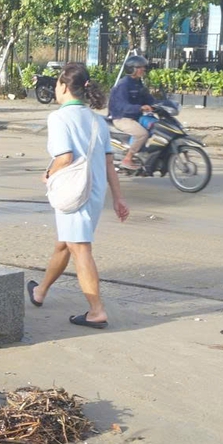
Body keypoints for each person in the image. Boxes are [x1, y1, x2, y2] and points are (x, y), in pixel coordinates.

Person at [30, 62, 129, 328]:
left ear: (63, 86)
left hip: (73, 193)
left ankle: (97, 311)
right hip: (94, 192)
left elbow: (64, 156)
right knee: (66, 242)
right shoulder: (98, 121)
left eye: (57, 85)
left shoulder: (59, 118)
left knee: (80, 247)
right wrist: (118, 198)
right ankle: (40, 291)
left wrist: (48, 172)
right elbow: (109, 163)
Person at [108, 54, 154, 170]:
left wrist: (160, 104)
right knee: (142, 134)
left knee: (155, 127)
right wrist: (140, 108)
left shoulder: (138, 83)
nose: (143, 69)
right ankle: (127, 159)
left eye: (143, 67)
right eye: (140, 67)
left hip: (135, 116)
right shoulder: (123, 85)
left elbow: (148, 99)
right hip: (121, 118)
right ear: (132, 69)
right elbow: (122, 106)